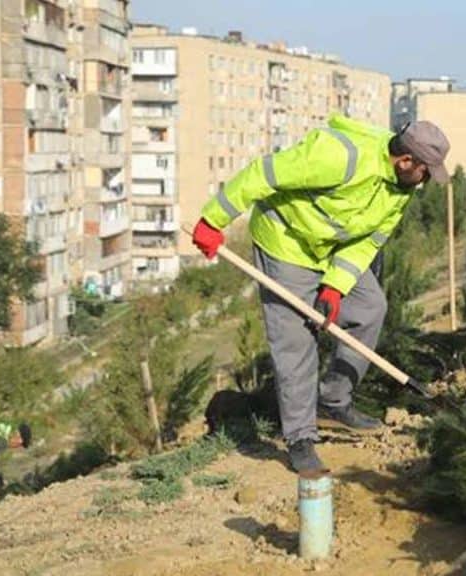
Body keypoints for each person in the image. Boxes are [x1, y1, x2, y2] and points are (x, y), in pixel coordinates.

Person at [192, 116, 450, 472]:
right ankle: (300, 436)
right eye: (425, 172)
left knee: (370, 307)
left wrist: (334, 287)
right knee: (296, 341)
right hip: (285, 243)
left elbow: (368, 241)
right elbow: (263, 174)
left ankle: (333, 399)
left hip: (329, 249)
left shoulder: (401, 188)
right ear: (406, 161)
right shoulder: (340, 156)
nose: (425, 182)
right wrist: (212, 219)